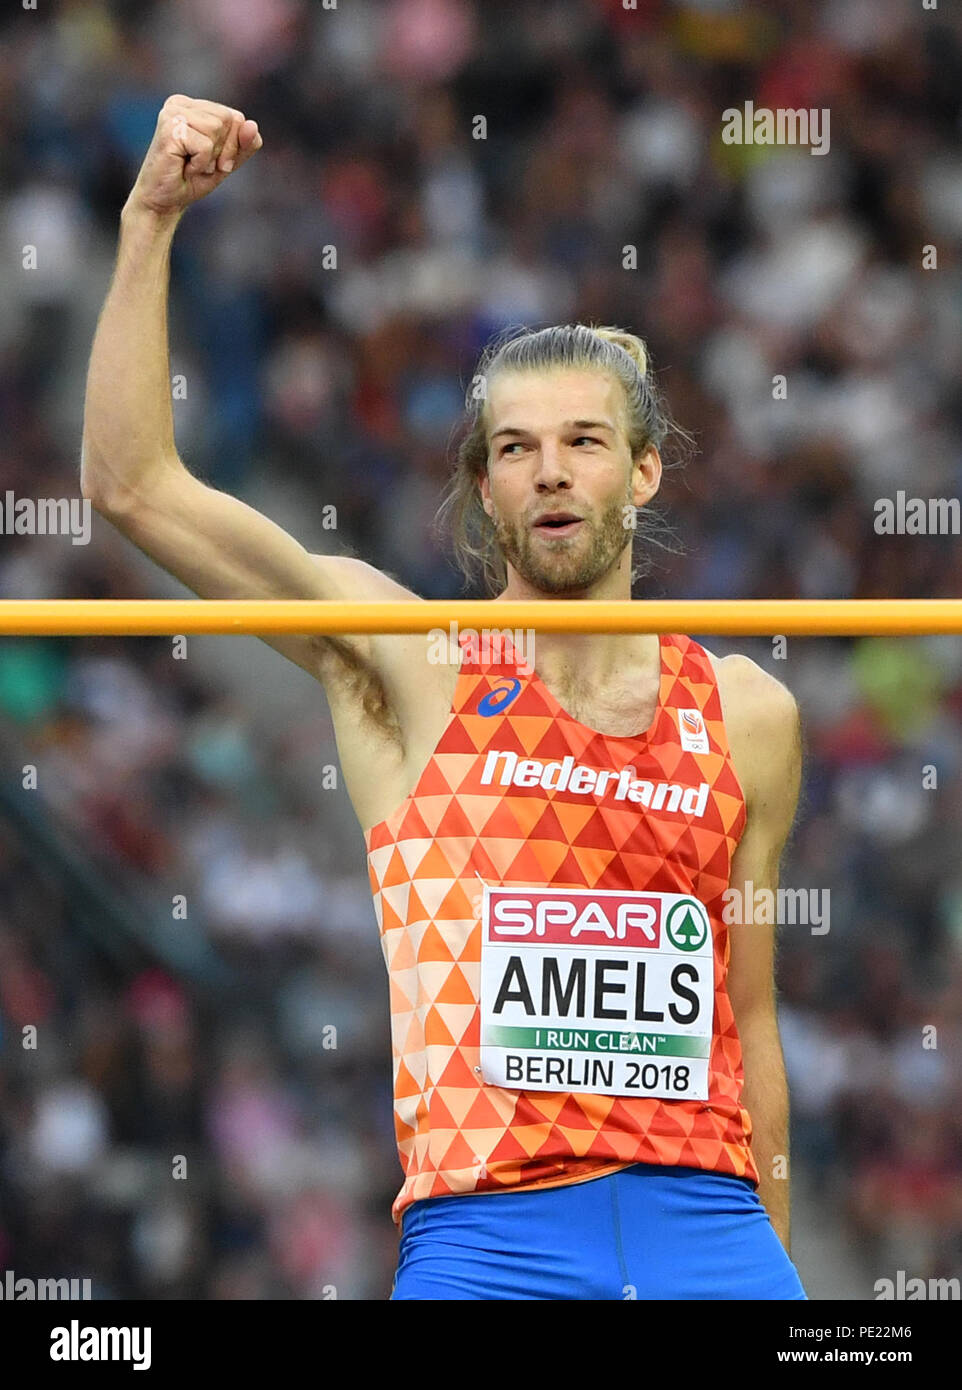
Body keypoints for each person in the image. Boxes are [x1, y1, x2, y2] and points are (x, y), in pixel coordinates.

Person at [81, 96, 806, 1300]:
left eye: (583, 441)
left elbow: (753, 1031)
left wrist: (774, 1271)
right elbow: (135, 486)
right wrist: (150, 220)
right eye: (515, 448)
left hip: (709, 1230)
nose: (551, 472)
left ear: (643, 469)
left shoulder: (743, 712)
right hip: (490, 1240)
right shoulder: (410, 658)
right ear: (481, 487)